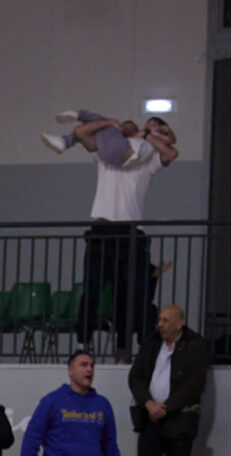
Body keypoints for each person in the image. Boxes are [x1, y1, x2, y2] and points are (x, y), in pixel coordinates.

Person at [66, 115, 177, 359]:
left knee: (128, 296)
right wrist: (108, 123)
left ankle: (122, 350)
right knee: (92, 290)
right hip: (101, 230)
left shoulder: (145, 159)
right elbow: (81, 132)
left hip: (130, 233)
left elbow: (170, 152)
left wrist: (146, 135)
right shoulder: (106, 152)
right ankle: (83, 345)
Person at [128, 304, 211, 456]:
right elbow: (135, 377)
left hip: (180, 421)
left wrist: (167, 407)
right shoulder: (151, 342)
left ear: (179, 323)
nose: (160, 325)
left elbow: (195, 384)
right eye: (160, 320)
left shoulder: (196, 345)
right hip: (149, 420)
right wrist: (148, 403)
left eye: (166, 320)